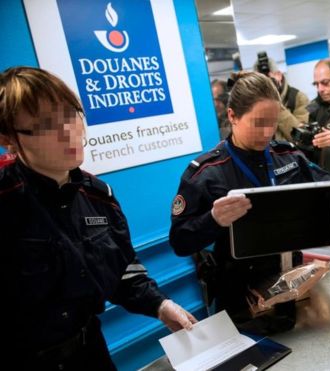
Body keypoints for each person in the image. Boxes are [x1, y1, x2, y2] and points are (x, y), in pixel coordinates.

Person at [169, 71, 330, 332]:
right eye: (258, 123)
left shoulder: (288, 157)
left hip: (292, 287)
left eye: (273, 122)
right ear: (232, 116)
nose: (268, 132)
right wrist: (213, 220)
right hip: (241, 301)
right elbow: (180, 240)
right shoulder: (206, 173)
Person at [0, 66, 197, 370]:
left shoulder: (98, 196)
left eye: (72, 114)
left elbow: (122, 269)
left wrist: (160, 304)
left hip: (88, 349)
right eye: (45, 125)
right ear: (9, 139)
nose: (69, 132)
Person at [252, 56, 310, 141]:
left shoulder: (299, 98)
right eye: (261, 82)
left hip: (292, 153)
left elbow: (301, 137)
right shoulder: (254, 102)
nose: (266, 86)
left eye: (268, 80)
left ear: (279, 75)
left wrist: (276, 105)